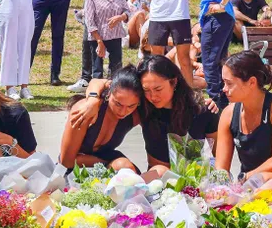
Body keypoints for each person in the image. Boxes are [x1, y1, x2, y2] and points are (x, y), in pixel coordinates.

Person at [67, 56, 220, 178]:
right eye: (146, 90)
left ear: (174, 82)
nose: (152, 96)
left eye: (158, 89)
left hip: (198, 178)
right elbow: (108, 84)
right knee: (151, 172)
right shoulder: (145, 109)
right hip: (158, 179)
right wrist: (93, 99)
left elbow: (218, 157)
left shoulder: (202, 110)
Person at [213, 51, 272, 196]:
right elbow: (221, 170)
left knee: (263, 180)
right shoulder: (228, 114)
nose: (224, 89)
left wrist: (244, 178)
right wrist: (220, 188)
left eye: (229, 83)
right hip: (250, 186)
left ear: (252, 82)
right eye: (223, 83)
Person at [60, 66, 143, 172]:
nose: (123, 112)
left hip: (108, 162)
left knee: (126, 169)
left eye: (131, 106)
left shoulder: (135, 115)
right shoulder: (86, 111)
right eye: (118, 103)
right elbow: (66, 161)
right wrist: (105, 164)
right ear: (109, 93)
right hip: (75, 170)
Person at [200, 0, 239, 108]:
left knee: (209, 62)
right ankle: (223, 102)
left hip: (218, 17)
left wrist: (222, 4)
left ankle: (216, 102)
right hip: (221, 17)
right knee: (217, 62)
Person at [81, 0, 129, 82]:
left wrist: (121, 17)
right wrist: (99, 42)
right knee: (97, 72)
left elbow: (128, 11)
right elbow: (89, 20)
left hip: (115, 36)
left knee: (116, 72)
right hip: (98, 38)